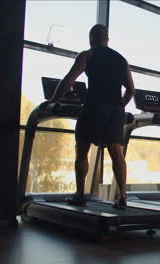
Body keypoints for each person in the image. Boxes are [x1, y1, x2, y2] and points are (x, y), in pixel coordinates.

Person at [46, 24, 135, 209]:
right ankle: (123, 198)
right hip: (115, 109)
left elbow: (70, 78)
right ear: (107, 38)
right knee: (116, 153)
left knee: (82, 149)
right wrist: (119, 107)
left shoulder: (88, 54)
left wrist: (53, 99)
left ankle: (79, 195)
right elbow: (131, 90)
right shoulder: (121, 59)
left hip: (94, 106)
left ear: (91, 38)